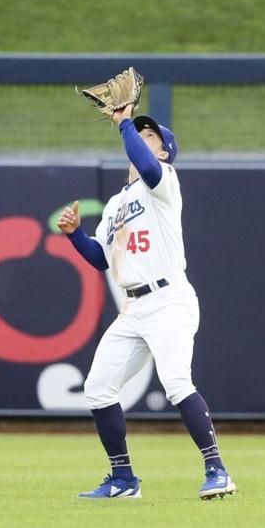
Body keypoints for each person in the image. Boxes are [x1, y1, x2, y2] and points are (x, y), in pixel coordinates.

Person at [55, 101, 236, 500]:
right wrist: (74, 236)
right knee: (98, 387)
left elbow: (148, 167)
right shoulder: (117, 205)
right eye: (140, 134)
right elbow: (101, 258)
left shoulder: (163, 180)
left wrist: (123, 126)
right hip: (134, 308)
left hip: (169, 298)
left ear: (163, 151)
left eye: (149, 136)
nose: (141, 138)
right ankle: (123, 480)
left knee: (176, 383)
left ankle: (217, 470)